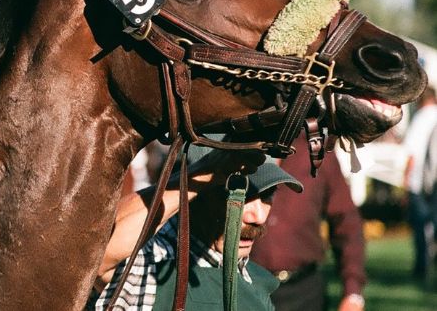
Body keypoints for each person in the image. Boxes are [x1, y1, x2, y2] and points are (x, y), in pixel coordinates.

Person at [89, 148, 303, 310]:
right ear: (196, 194)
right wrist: (203, 172)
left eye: (267, 195)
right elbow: (95, 256)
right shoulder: (154, 261)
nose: (259, 216)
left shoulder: (257, 282)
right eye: (239, 196)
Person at [250, 133, 367, 311]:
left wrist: (353, 293)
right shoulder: (239, 146)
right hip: (247, 288)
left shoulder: (316, 152)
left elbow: (347, 222)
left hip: (305, 291)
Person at [402, 86, 437, 279]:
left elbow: (412, 154)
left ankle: (421, 268)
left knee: (420, 226)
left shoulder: (421, 118)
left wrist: (406, 180)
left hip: (420, 181)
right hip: (435, 180)